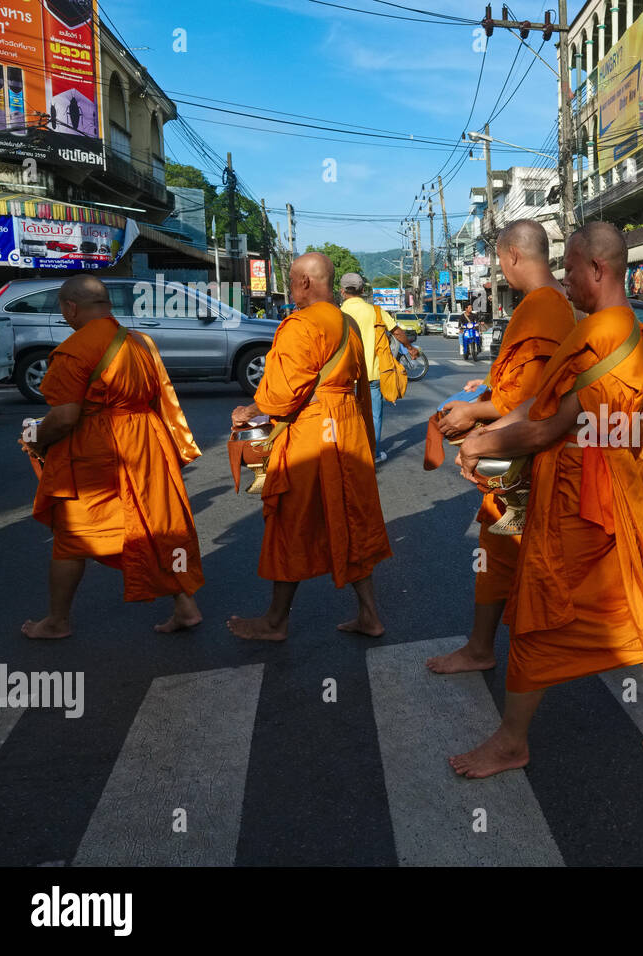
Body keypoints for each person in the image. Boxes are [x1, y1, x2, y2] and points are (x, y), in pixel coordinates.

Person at [448, 221, 643, 778]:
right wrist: (486, 428)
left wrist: (485, 442)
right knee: (628, 610)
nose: (565, 278)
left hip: (585, 502)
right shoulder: (607, 328)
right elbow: (545, 404)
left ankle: (511, 742)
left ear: (597, 268)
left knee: (540, 615)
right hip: (610, 498)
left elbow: (549, 429)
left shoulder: (607, 334)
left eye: (571, 267)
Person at [426, 219, 576, 675]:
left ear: (511, 255)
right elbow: (525, 380)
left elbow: (535, 400)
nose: (499, 268)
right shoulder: (548, 303)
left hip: (528, 458)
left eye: (497, 259)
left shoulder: (544, 307)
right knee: (500, 554)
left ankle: (527, 653)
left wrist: (476, 415)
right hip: (524, 452)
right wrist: (485, 386)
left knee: (523, 556)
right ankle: (482, 646)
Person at [20, 274, 203, 638]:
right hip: (147, 443)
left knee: (72, 536)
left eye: (63, 309)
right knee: (153, 525)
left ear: (71, 308)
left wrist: (34, 437)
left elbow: (66, 417)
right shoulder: (140, 341)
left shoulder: (75, 349)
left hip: (100, 450)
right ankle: (185, 606)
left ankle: (57, 622)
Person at [227, 253, 393, 642]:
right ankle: (369, 615)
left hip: (313, 434)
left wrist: (248, 410)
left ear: (302, 282)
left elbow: (282, 396)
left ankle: (274, 621)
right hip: (346, 430)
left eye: (290, 281)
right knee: (351, 520)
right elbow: (361, 390)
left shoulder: (301, 324)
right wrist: (366, 441)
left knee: (290, 523)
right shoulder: (349, 323)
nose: (291, 289)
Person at [339, 272, 410, 465]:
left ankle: (348, 453)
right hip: (373, 374)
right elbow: (397, 332)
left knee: (344, 416)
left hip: (343, 376)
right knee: (373, 415)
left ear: (342, 291)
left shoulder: (336, 313)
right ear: (363, 291)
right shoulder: (377, 312)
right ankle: (373, 453)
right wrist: (410, 348)